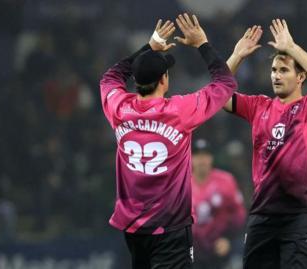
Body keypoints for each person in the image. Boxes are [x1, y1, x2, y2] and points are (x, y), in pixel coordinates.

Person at [99, 14, 237, 269]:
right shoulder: (179, 111)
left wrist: (148, 47)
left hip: (133, 228)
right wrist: (203, 44)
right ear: (164, 80)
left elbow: (111, 76)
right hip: (170, 227)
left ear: (137, 81)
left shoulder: (118, 108)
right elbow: (225, 83)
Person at [224, 19, 307, 268]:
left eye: (284, 70)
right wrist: (236, 56)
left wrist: (292, 48)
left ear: (300, 77)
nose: (276, 75)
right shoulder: (258, 106)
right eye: (274, 70)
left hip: (301, 215)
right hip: (263, 215)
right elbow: (218, 95)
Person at [191, 139, 246, 269]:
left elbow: (239, 215)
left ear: (211, 157)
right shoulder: (181, 183)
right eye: (197, 155)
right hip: (190, 252)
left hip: (221, 249)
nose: (202, 160)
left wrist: (229, 239)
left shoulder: (226, 181)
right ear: (190, 158)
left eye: (205, 155)